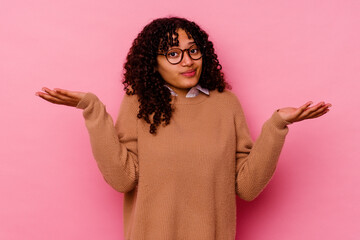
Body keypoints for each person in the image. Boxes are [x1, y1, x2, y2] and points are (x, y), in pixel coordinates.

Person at [35, 17, 331, 240]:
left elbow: (247, 187)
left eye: (193, 51)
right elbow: (122, 180)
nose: (188, 61)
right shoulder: (138, 102)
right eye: (174, 54)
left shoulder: (226, 104)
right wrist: (92, 109)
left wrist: (278, 124)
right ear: (154, 63)